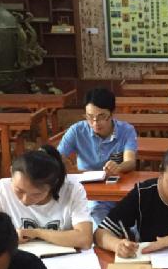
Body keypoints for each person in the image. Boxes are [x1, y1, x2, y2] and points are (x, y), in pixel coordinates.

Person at [57, 87, 138, 226]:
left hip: (119, 190)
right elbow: (56, 157)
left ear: (112, 113)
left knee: (134, 220)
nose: (95, 123)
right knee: (99, 218)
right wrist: (65, 164)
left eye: (101, 116)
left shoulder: (126, 130)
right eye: (89, 117)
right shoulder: (77, 130)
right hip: (89, 194)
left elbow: (130, 162)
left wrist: (118, 167)